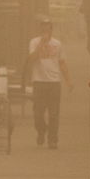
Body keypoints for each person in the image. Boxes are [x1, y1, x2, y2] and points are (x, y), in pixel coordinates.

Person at [26, 16, 71, 149]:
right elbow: (31, 59)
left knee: (54, 113)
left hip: (54, 82)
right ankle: (41, 130)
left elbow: (62, 62)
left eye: (48, 27)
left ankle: (53, 140)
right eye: (43, 27)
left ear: (51, 29)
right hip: (39, 82)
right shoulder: (34, 42)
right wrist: (42, 44)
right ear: (40, 29)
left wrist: (68, 81)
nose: (45, 29)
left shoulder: (58, 44)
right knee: (38, 113)